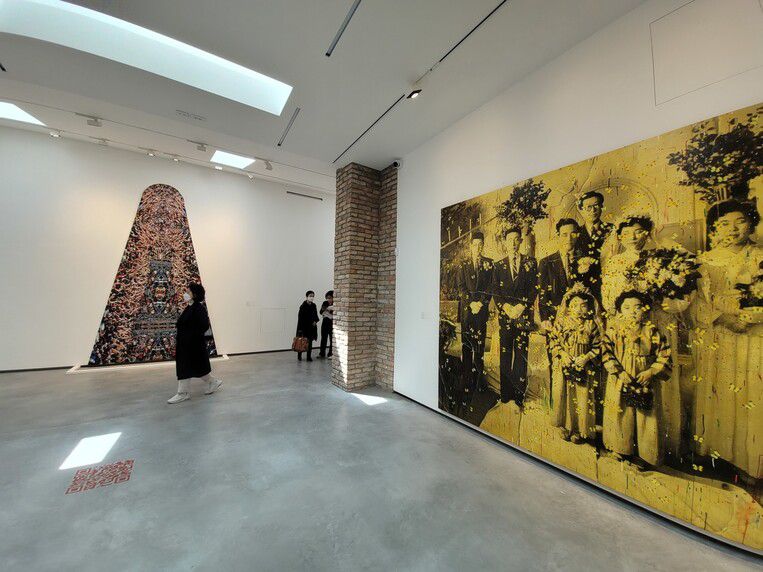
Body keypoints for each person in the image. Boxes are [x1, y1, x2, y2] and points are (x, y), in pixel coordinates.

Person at [693, 199, 762, 481]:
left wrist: (752, 317)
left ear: (751, 224)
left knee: (751, 392)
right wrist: (723, 319)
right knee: (720, 390)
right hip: (719, 334)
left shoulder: (760, 256)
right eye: (724, 224)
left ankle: (750, 461)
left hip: (754, 334)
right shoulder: (705, 261)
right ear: (714, 229)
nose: (732, 229)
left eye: (740, 222)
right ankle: (720, 453)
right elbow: (697, 302)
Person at [602, 290, 672, 468]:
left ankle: (646, 456)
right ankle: (620, 448)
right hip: (621, 377)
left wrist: (651, 372)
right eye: (627, 308)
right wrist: (620, 373)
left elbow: (665, 356)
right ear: (620, 311)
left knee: (646, 416)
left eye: (637, 307)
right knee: (620, 412)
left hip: (644, 379)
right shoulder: (613, 331)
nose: (632, 312)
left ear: (644, 310)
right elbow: (606, 353)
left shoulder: (652, 331)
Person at [491, 227, 537, 407]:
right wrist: (506, 307)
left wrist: (521, 306)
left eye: (516, 239)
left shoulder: (530, 262)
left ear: (520, 241)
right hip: (506, 316)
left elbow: (534, 287)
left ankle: (519, 395)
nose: (513, 243)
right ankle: (505, 394)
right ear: (505, 242)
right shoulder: (498, 265)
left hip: (522, 315)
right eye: (510, 239)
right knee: (505, 353)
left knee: (521, 355)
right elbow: (495, 290)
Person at [548, 286, 602, 442]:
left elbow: (598, 346)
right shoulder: (561, 323)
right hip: (564, 364)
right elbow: (553, 340)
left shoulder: (591, 325)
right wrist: (562, 354)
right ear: (568, 307)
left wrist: (586, 357)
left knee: (581, 397)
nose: (578, 309)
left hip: (583, 366)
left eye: (583, 306)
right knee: (563, 395)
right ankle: (565, 427)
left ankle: (579, 429)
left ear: (588, 307)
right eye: (574, 305)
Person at [167, 283, 222, 404]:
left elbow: (204, 326)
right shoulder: (190, 307)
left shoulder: (198, 308)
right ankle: (213, 382)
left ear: (194, 294)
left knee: (185, 367)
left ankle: (183, 393)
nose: (185, 294)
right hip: (186, 344)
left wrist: (191, 336)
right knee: (197, 367)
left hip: (192, 345)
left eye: (188, 292)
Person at [455, 231, 494, 395]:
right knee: (466, 346)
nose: (477, 247)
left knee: (479, 347)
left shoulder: (489, 263)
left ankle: (479, 382)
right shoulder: (463, 265)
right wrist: (471, 303)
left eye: (480, 244)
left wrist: (481, 303)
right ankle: (466, 380)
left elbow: (491, 287)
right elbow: (461, 287)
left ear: (483, 246)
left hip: (481, 311)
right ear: (471, 246)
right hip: (467, 311)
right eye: (475, 244)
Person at [538, 219, 581, 331]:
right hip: (555, 319)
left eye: (573, 234)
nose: (569, 239)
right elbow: (542, 293)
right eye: (564, 235)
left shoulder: (584, 260)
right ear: (558, 236)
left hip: (580, 319)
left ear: (577, 235)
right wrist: (545, 318)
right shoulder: (546, 262)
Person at [576, 191, 614, 300]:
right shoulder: (576, 232)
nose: (593, 210)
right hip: (583, 286)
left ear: (601, 207)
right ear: (581, 210)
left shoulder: (612, 229)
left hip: (607, 284)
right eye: (588, 207)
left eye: (596, 205)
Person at [439, 319, 466, 417]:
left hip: (447, 361)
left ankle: (451, 401)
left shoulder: (447, 336)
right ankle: (449, 401)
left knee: (448, 382)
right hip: (444, 361)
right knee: (446, 382)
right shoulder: (442, 336)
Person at [296, 290, 319, 361]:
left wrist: (315, 321)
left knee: (310, 342)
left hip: (311, 327)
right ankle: (299, 355)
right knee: (301, 341)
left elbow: (316, 315)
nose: (312, 297)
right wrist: (301, 328)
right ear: (306, 297)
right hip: (303, 327)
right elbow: (300, 317)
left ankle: (309, 356)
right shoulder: (303, 306)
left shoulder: (314, 305)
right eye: (310, 296)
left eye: (313, 296)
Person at [318, 290, 334, 358]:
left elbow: (334, 313)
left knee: (332, 339)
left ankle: (330, 354)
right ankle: (322, 353)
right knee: (323, 338)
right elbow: (321, 312)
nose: (328, 299)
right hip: (325, 323)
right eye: (327, 298)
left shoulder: (336, 304)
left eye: (330, 298)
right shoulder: (325, 303)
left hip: (332, 324)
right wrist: (327, 309)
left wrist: (326, 311)